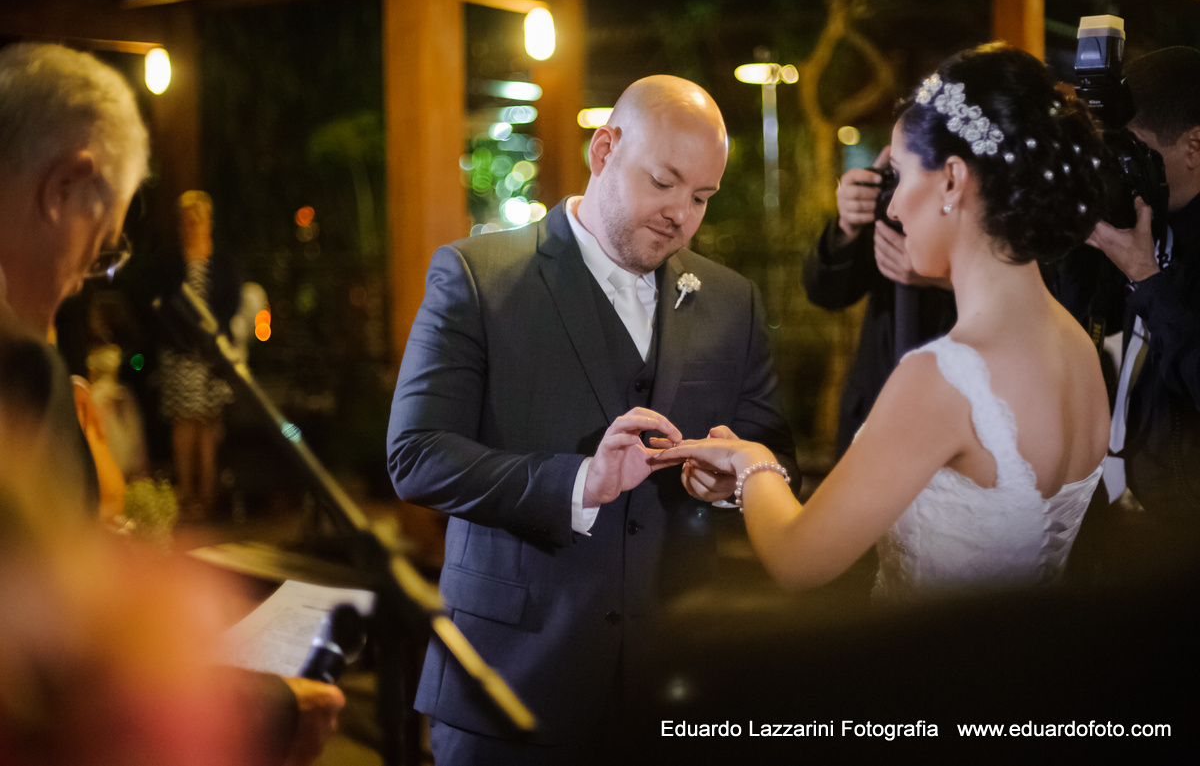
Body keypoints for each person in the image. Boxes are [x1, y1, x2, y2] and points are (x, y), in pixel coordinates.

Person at [387, 74, 797, 761]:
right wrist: (577, 481)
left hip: (678, 689)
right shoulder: (477, 276)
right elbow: (416, 454)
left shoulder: (731, 301)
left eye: (700, 197)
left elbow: (776, 454)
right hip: (508, 677)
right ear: (604, 149)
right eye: (663, 182)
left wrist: (736, 481)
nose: (681, 214)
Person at [654, 45, 1110, 601]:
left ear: (951, 181)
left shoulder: (945, 377)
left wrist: (753, 462)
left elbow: (799, 560)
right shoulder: (1077, 347)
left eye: (900, 173)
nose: (891, 209)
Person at [0, 41, 342, 766]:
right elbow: (53, 662)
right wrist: (264, 706)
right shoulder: (17, 367)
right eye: (102, 246)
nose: (84, 281)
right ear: (66, 185)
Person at [1083, 46, 1200, 512]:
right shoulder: (1154, 217)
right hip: (1130, 497)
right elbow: (1100, 324)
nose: (1125, 168)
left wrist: (1148, 278)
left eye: (1139, 153)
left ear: (1194, 145)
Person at [804, 148, 956, 456]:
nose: (895, 209)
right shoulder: (890, 200)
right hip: (874, 401)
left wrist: (943, 277)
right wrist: (849, 223)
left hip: (961, 407)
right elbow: (826, 293)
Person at [157, 189, 239, 521]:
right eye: (188, 220)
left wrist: (213, 331)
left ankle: (207, 494)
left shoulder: (221, 262)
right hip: (181, 351)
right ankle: (186, 492)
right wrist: (181, 334)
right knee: (184, 422)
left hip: (212, 351)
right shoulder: (172, 261)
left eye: (200, 219)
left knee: (209, 423)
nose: (194, 225)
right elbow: (162, 304)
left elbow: (230, 300)